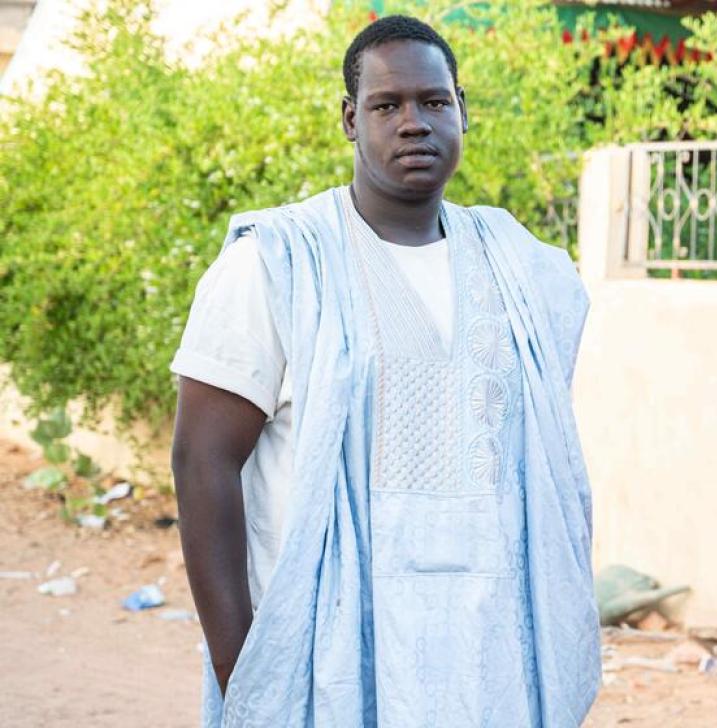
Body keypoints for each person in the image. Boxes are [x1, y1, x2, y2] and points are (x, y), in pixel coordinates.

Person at [169, 15, 599, 726]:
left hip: (488, 664)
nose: (414, 123)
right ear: (349, 118)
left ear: (463, 110)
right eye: (386, 105)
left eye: (434, 102)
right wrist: (240, 664)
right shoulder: (277, 263)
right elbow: (201, 460)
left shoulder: (522, 269)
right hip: (324, 670)